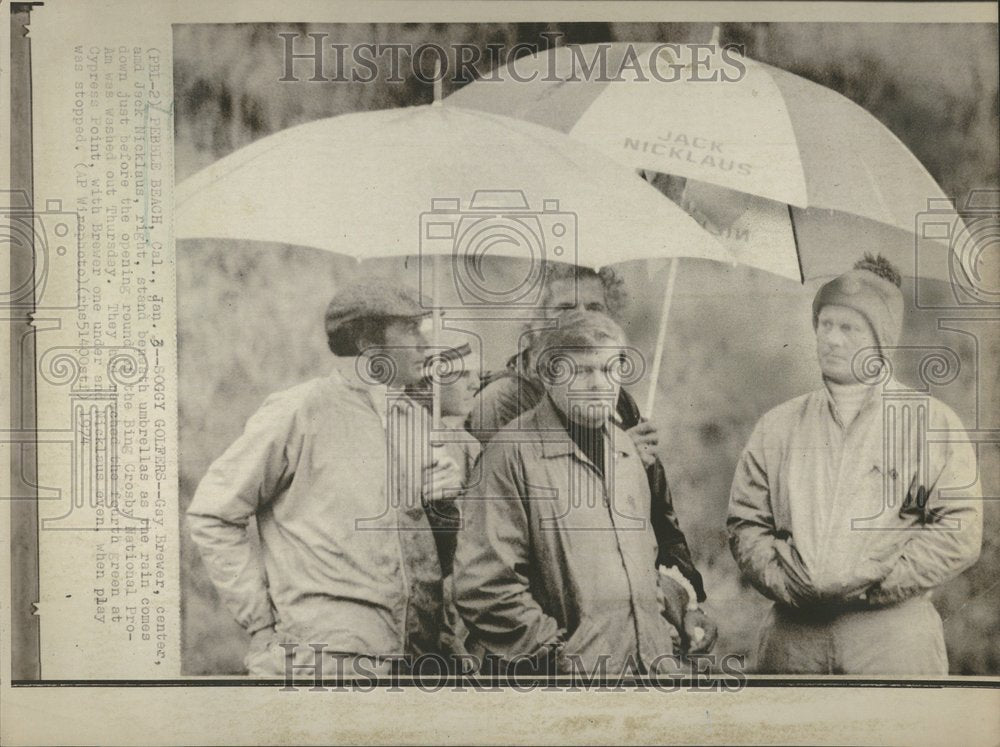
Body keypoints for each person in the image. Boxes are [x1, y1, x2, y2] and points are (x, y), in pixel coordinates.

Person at [187, 280, 463, 677]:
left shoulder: (418, 422)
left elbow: (439, 561)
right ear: (369, 340)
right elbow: (213, 514)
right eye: (410, 329)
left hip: (417, 659)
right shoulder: (300, 411)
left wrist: (443, 506)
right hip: (325, 664)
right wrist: (260, 624)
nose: (426, 344)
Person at [727, 254, 983, 675]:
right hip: (794, 638)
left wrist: (875, 584)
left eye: (849, 328)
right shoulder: (778, 426)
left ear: (880, 340)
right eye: (825, 325)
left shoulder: (931, 424)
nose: (832, 339)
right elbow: (745, 523)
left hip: (893, 638)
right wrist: (793, 585)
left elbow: (960, 528)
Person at [467, 262, 715, 652]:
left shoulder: (618, 404)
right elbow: (492, 550)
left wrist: (682, 602)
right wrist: (558, 653)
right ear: (536, 322)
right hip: (558, 640)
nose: (582, 317)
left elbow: (660, 525)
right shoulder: (502, 404)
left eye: (595, 308)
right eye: (566, 308)